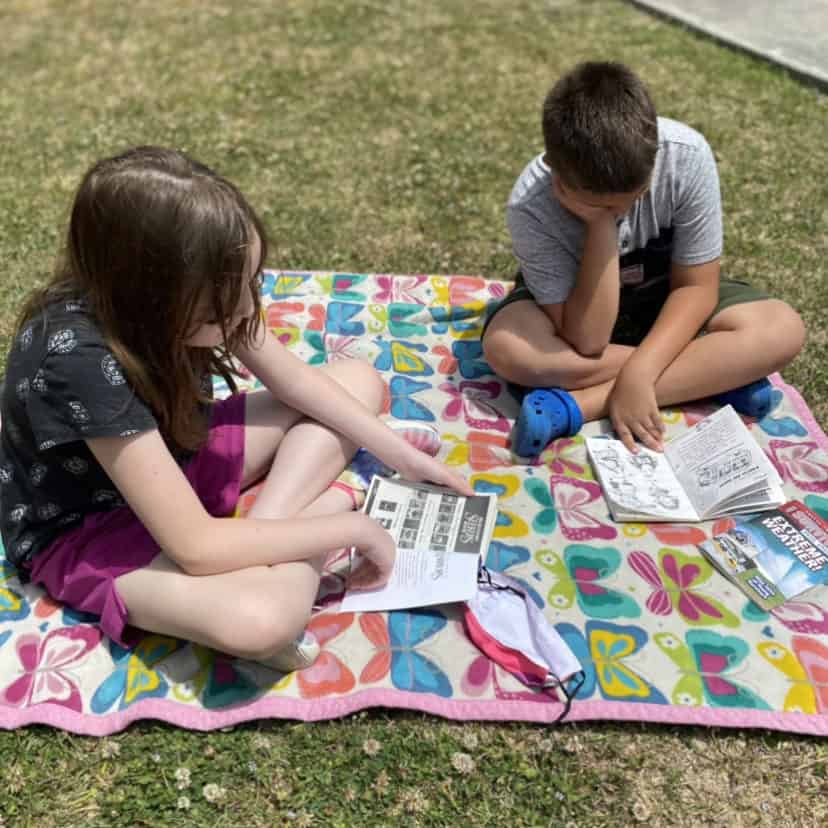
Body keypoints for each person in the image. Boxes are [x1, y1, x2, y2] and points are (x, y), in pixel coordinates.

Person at [0, 146, 471, 672]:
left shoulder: (196, 283)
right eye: (219, 309)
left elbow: (294, 379)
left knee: (356, 381)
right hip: (91, 524)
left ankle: (268, 529)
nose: (247, 312)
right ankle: (306, 522)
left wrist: (404, 456)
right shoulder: (78, 359)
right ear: (148, 297)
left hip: (176, 456)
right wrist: (350, 530)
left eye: (251, 285)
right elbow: (196, 546)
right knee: (261, 621)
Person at [481, 61, 805, 457]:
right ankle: (714, 374)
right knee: (507, 349)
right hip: (576, 316)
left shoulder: (686, 156)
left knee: (781, 328)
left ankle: (576, 406)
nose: (623, 212)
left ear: (654, 154)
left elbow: (696, 287)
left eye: (633, 200)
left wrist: (641, 373)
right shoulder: (530, 204)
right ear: (556, 173)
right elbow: (586, 339)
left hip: (664, 293)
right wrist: (601, 228)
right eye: (601, 205)